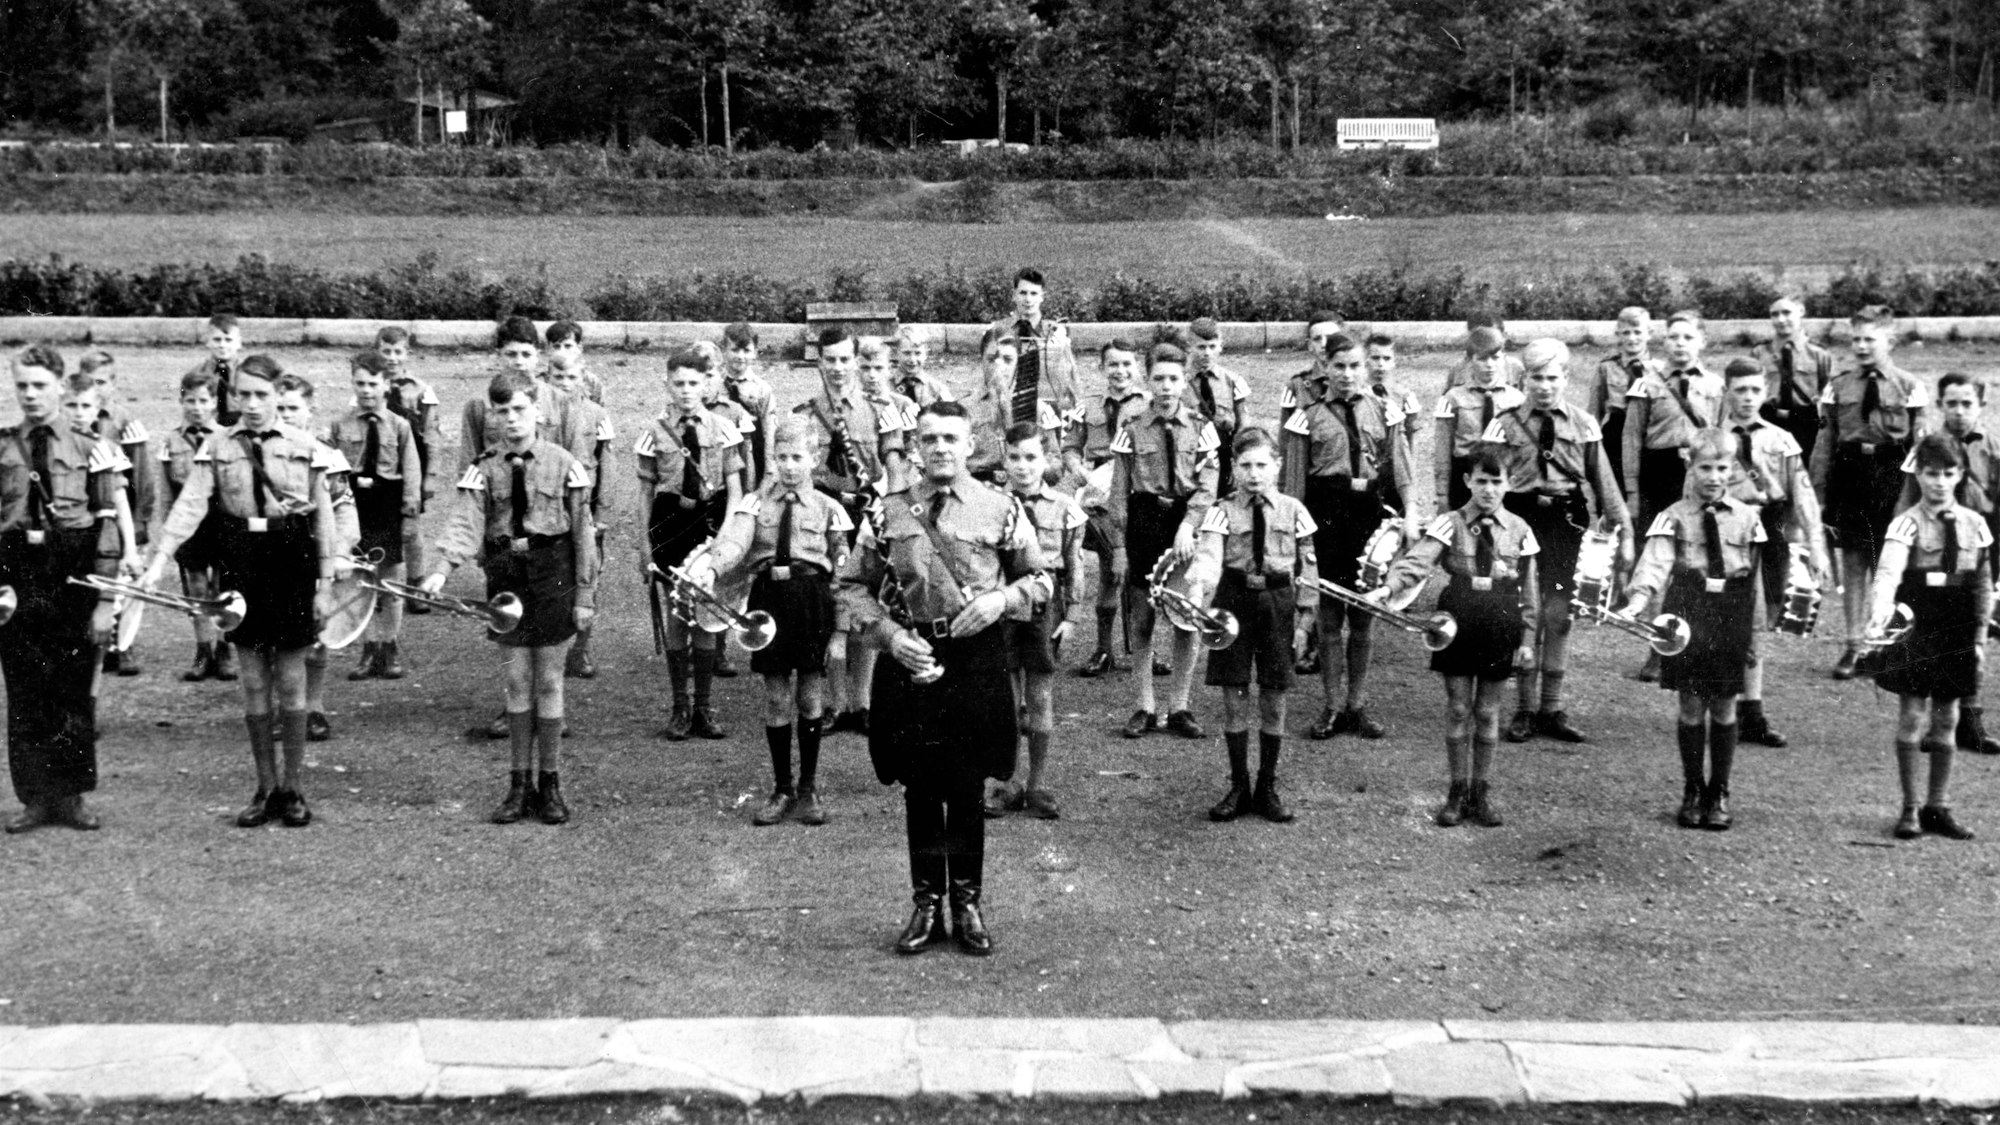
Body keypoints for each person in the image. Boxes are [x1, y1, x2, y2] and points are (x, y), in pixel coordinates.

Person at [836, 401, 1048, 957]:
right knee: (921, 783)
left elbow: (1041, 579)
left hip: (975, 655)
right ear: (914, 449)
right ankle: (926, 901)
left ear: (971, 444)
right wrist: (887, 636)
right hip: (912, 654)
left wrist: (1003, 598)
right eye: (928, 439)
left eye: (951, 438)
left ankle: (968, 902)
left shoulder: (999, 509)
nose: (941, 449)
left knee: (968, 782)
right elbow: (852, 585)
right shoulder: (888, 512)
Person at [142, 355, 343, 830]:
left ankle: (293, 789)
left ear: (277, 395)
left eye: (262, 395)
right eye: (243, 396)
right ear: (233, 397)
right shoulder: (217, 444)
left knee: (291, 679)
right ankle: (264, 788)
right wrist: (157, 560)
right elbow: (191, 503)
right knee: (253, 678)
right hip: (241, 561)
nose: (252, 406)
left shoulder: (306, 445)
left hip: (291, 558)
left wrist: (326, 584)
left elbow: (324, 519)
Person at [425, 370, 599, 826]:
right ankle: (518, 785)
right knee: (517, 683)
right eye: (503, 412)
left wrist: (584, 593)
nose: (512, 420)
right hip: (507, 578)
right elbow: (465, 522)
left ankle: (551, 784)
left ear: (537, 410)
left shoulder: (565, 464)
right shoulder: (483, 468)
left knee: (550, 682)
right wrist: (442, 571)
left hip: (553, 573)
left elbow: (583, 534)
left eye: (520, 409)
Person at [690, 417, 851, 826]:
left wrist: (841, 630)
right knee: (777, 697)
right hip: (769, 602)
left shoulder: (830, 508)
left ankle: (808, 788)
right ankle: (781, 787)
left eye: (798, 457)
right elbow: (735, 543)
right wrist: (711, 568)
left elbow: (846, 576)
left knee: (811, 697)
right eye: (782, 458)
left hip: (812, 602)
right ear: (773, 460)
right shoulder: (755, 503)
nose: (790, 466)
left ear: (814, 459)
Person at [1374, 451, 1540, 828]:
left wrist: (1527, 639)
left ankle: (1481, 791)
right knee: (1459, 708)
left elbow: (1530, 594)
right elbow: (1419, 560)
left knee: (1487, 712)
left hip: (1500, 620)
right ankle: (1457, 790)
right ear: (1467, 481)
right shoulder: (1450, 523)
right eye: (1481, 481)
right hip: (1458, 617)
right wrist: (1388, 588)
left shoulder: (1520, 530)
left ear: (1509, 484)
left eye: (1497, 482)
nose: (1488, 490)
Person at [2, 348, 129, 833]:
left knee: (72, 686)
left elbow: (109, 528)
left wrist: (106, 600)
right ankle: (35, 797)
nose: (30, 395)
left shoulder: (90, 444)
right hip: (17, 569)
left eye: (39, 385)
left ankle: (72, 794)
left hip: (73, 568)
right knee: (26, 686)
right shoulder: (4, 446)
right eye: (22, 386)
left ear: (61, 386)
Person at [1485, 339, 1632, 745]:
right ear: (1524, 379)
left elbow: (1605, 483)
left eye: (1552, 378)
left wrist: (1626, 532)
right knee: (1522, 611)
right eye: (1536, 378)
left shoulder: (1584, 424)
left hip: (1565, 522)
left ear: (1566, 378)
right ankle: (1525, 709)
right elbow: (1487, 480)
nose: (1544, 386)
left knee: (1560, 612)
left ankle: (1552, 707)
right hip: (1519, 520)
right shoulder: (1504, 423)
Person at [1619, 429, 1766, 831]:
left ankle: (1719, 791)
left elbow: (1755, 583)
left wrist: (1755, 635)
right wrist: (1637, 600)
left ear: (1733, 468)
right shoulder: (1673, 516)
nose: (1713, 476)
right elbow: (1654, 562)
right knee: (1689, 705)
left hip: (1730, 612)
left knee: (1722, 704)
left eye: (1721, 468)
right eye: (1705, 467)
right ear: (1691, 466)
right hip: (1689, 609)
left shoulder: (1749, 518)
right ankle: (1692, 788)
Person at [1283, 332, 1418, 740]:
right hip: (1325, 517)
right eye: (1339, 366)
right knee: (1328, 619)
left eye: (1355, 366)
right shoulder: (1305, 416)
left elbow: (1403, 474)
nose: (1347, 374)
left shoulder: (1385, 410)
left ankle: (1357, 705)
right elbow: (1292, 488)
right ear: (1324, 367)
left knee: (1364, 617)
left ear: (1366, 368)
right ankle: (1331, 705)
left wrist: (1411, 515)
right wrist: (1294, 541)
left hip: (1368, 517)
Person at [1186, 427, 1317, 823]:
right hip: (1234, 603)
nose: (1254, 473)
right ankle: (1239, 785)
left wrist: (1305, 620)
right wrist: (1197, 590)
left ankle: (1268, 786)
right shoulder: (1221, 511)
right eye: (1245, 465)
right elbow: (1209, 556)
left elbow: (1308, 570)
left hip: (1278, 605)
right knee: (1234, 696)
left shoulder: (1295, 510)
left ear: (1277, 466)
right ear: (1233, 469)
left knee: (1275, 696)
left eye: (1262, 465)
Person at [1869, 433, 1991, 841]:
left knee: (1949, 719)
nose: (1939, 482)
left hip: (1956, 625)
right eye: (1931, 473)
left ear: (1960, 476)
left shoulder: (1976, 525)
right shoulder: (1906, 523)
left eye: (1948, 474)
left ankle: (1939, 805)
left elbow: (1981, 585)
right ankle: (1910, 807)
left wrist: (1979, 637)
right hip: (1919, 623)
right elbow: (1887, 574)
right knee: (1913, 715)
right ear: (1918, 474)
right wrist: (1881, 612)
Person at [795, 328, 910, 735]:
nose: (839, 368)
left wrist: (889, 512)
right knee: (828, 608)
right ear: (820, 362)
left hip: (867, 514)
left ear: (856, 362)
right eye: (831, 360)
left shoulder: (883, 409)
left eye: (846, 360)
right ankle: (833, 703)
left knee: (864, 604)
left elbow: (894, 468)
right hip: (822, 518)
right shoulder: (806, 413)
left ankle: (861, 704)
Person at [1812, 305, 1929, 681]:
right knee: (1854, 563)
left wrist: (1915, 496)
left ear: (1889, 341)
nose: (1861, 346)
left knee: (1887, 562)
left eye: (1870, 339)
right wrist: (1818, 492)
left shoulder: (1909, 386)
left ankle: (1881, 644)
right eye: (1856, 339)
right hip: (1850, 475)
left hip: (1891, 475)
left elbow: (1919, 444)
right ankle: (1853, 644)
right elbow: (1825, 440)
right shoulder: (1838, 385)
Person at [1110, 343, 1220, 740]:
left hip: (1185, 524)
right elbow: (1119, 493)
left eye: (1174, 378)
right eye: (1159, 378)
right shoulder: (1132, 428)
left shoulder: (1201, 426)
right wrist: (1120, 546)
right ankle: (1144, 705)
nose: (1167, 386)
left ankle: (1180, 706)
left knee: (1186, 616)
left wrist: (1189, 525)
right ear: (1148, 379)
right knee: (1142, 617)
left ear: (1184, 379)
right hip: (1145, 521)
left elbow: (1208, 486)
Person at [1719, 357, 1830, 749]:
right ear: (1726, 392)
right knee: (1729, 618)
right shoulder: (1714, 439)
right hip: (1726, 532)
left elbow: (1802, 495)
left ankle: (1752, 711)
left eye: (1754, 390)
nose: (1747, 398)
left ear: (1764, 393)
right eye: (1739, 390)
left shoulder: (1780, 439)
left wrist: (1817, 547)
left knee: (1759, 619)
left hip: (1771, 530)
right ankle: (1726, 711)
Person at [639, 346, 747, 740]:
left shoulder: (723, 427)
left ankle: (704, 706)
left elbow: (735, 489)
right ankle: (679, 707)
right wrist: (643, 547)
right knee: (677, 616)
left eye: (693, 383)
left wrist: (725, 538)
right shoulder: (654, 432)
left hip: (710, 523)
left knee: (706, 614)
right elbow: (645, 496)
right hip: (669, 526)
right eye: (678, 383)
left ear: (706, 384)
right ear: (667, 385)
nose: (686, 390)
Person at [1898, 373, 2000, 755]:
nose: (1959, 412)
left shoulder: (1994, 446)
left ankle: (1969, 718)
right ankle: (1937, 719)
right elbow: (1906, 501)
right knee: (1931, 629)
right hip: (1932, 549)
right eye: (1951, 404)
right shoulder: (1925, 450)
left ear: (1981, 406)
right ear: (1940, 405)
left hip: (1981, 543)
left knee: (1978, 625)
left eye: (1967, 404)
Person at [990, 423, 1085, 820]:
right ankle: (1007, 782)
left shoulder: (1065, 508)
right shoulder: (990, 504)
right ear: (1004, 459)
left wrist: (1075, 615)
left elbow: (1075, 565)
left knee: (1041, 697)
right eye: (1014, 458)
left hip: (1046, 610)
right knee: (1007, 701)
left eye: (1031, 457)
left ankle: (1038, 784)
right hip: (1004, 608)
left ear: (1046, 460)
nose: (1023, 466)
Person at [1623, 310, 1724, 682]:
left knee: (1694, 565)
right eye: (1673, 337)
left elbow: (1723, 439)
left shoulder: (1715, 386)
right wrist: (1632, 492)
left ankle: (1686, 645)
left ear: (1702, 341)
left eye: (1687, 337)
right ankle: (1656, 647)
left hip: (1699, 477)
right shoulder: (1645, 382)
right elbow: (1631, 439)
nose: (1679, 344)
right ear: (1663, 342)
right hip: (1657, 478)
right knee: (1657, 561)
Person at [273, 375, 358, 743]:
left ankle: (314, 707)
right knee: (278, 635)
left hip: (316, 554)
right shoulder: (262, 451)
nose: (286, 415)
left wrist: (340, 552)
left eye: (293, 408)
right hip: (274, 553)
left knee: (318, 633)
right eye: (280, 408)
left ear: (310, 410)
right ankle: (284, 708)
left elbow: (344, 509)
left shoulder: (327, 455)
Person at [329, 351, 422, 682]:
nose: (366, 390)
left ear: (386, 384)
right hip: (355, 507)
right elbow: (332, 474)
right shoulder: (340, 425)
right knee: (360, 580)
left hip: (386, 506)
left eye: (372, 383)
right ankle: (368, 648)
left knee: (391, 580)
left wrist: (409, 517)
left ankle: (390, 645)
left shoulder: (400, 426)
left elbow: (411, 474)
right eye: (360, 383)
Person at [1062, 338, 1147, 678]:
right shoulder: (1088, 406)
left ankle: (1144, 649)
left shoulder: (1149, 404)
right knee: (1113, 568)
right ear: (1101, 368)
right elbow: (1069, 447)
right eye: (1113, 364)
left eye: (1127, 364)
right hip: (1098, 494)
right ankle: (1103, 648)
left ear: (1136, 366)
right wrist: (1080, 471)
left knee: (1140, 573)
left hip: (1136, 491)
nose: (1120, 371)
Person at [73, 352, 155, 678]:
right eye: (88, 381)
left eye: (101, 382)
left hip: (122, 513)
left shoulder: (125, 422)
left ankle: (124, 645)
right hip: (89, 516)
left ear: (114, 383)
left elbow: (142, 480)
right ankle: (99, 644)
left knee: (127, 582)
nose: (94, 387)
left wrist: (138, 525)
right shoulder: (70, 421)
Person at [157, 368, 235, 682]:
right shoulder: (171, 440)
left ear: (215, 403)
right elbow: (165, 491)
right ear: (181, 400)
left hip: (221, 521)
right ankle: (203, 650)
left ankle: (224, 648)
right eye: (191, 400)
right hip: (188, 525)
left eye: (204, 400)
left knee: (223, 586)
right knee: (197, 587)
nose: (197, 407)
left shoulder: (226, 438)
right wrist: (168, 533)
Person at [549, 344, 615, 680]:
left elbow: (606, 464)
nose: (564, 382)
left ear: (582, 377)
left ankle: (581, 648)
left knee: (589, 574)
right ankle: (554, 649)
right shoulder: (540, 412)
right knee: (555, 578)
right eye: (557, 375)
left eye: (571, 376)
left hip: (586, 507)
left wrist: (602, 512)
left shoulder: (597, 414)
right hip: (550, 505)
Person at [459, 316, 579, 476]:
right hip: (499, 489)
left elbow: (575, 458)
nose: (519, 362)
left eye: (526, 354)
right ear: (498, 355)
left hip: (549, 489)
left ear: (538, 354)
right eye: (511, 354)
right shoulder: (479, 403)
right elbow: (469, 461)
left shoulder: (559, 400)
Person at [374, 325, 441, 610]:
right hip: (381, 470)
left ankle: (415, 586)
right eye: (386, 351)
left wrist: (430, 477)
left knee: (411, 531)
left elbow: (433, 435)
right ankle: (380, 588)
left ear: (407, 354)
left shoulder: (422, 391)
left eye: (397, 351)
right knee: (377, 528)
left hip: (413, 468)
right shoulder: (371, 386)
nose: (392, 357)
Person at [1431, 327, 1524, 512]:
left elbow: (1522, 450)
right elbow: (1442, 450)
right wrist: (1442, 494)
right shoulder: (1453, 398)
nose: (1489, 365)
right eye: (1482, 358)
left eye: (1495, 358)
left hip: (1501, 475)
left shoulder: (1517, 399)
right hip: (1464, 476)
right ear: (1469, 360)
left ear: (1503, 358)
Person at [985, 268, 1080, 436]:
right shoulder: (997, 331)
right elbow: (989, 376)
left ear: (1042, 296)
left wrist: (1074, 409)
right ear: (1014, 295)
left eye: (1034, 294)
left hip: (1051, 409)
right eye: (1023, 293)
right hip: (1011, 409)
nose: (1028, 300)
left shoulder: (1056, 331)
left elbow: (1071, 376)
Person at [1750, 296, 1834, 464]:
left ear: (1801, 312)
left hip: (1805, 423)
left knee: (1805, 470)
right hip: (1769, 419)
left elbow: (1827, 394)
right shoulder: (1759, 353)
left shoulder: (1818, 354)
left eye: (1787, 313)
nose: (1781, 319)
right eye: (1775, 314)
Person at [968, 331, 1061, 482]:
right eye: (991, 359)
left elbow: (1055, 466)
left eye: (1008, 359)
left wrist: (1037, 467)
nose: (999, 366)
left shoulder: (1037, 409)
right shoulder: (965, 410)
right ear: (981, 361)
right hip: (978, 490)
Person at [1585, 307, 1658, 496]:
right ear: (1618, 335)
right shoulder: (1606, 368)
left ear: (1649, 334)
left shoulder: (1660, 370)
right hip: (1615, 435)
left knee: (1647, 491)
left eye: (1637, 332)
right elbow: (1593, 412)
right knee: (1613, 491)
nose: (1632, 338)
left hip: (1648, 435)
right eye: (1626, 333)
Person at [1183, 317, 1250, 495]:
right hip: (1190, 453)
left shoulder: (1233, 381)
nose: (1207, 353)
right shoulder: (1179, 381)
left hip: (1223, 453)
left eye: (1212, 347)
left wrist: (1238, 461)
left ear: (1221, 346)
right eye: (1201, 347)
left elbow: (1243, 425)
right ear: (1189, 346)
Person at [719, 322, 778, 490]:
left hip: (752, 451)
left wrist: (770, 469)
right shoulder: (713, 385)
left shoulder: (762, 389)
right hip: (722, 450)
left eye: (746, 351)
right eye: (735, 350)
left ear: (755, 353)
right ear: (724, 351)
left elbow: (769, 430)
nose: (740, 356)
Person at [1278, 310, 1346, 427]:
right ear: (1310, 345)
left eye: (1331, 338)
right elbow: (1286, 437)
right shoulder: (1296, 386)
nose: (1324, 344)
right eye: (1317, 339)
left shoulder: (1356, 383)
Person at [185, 313, 245, 426]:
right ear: (208, 341)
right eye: (217, 339)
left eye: (228, 340)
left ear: (238, 343)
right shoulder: (197, 373)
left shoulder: (247, 372)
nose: (222, 345)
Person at [1443, 313, 1526, 391]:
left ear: (1503, 337)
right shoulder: (1459, 368)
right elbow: (1447, 400)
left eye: (1493, 337)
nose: (1486, 344)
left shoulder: (1515, 368)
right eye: (1479, 338)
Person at [892, 327, 955, 407]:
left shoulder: (936, 388)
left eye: (918, 353)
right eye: (907, 353)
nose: (912, 359)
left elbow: (953, 415)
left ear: (926, 354)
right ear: (896, 354)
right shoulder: (886, 385)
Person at [545, 319, 604, 405]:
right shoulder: (539, 380)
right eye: (556, 346)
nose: (562, 351)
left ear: (579, 348)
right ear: (548, 349)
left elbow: (599, 413)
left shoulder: (592, 382)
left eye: (568, 346)